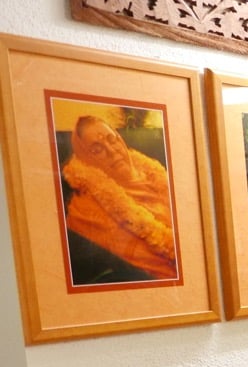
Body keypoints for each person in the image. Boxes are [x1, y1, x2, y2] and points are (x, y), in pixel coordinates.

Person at [61, 114, 177, 283]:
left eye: (112, 139)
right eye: (97, 149)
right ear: (86, 160)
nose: (111, 150)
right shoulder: (87, 211)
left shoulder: (157, 174)